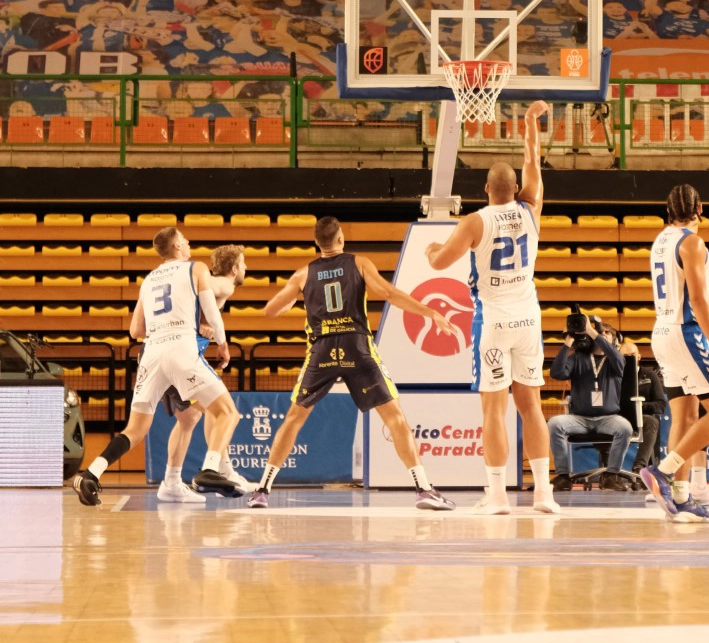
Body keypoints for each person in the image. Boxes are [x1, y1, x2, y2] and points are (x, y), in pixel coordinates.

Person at [247, 216, 458, 510]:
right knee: (395, 417)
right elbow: (389, 293)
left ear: (316, 242)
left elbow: (271, 310)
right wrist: (429, 312)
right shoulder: (359, 263)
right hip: (356, 345)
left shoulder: (303, 274)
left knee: (294, 418)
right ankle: (424, 489)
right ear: (341, 239)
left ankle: (262, 490)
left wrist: (293, 300)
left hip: (321, 349)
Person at [426, 101, 559, 516]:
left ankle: (498, 496)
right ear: (516, 189)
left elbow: (439, 263)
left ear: (486, 189)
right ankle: (543, 494)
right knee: (531, 407)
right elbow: (532, 160)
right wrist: (530, 122)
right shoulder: (531, 209)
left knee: (494, 410)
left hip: (494, 319)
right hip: (528, 317)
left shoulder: (474, 221)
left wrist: (432, 248)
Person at [74, 226, 238, 506]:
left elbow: (135, 330)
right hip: (181, 348)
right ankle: (210, 469)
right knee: (227, 412)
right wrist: (222, 343)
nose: (188, 242)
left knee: (134, 430)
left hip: (151, 353)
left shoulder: (148, 280)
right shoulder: (196, 268)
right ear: (176, 246)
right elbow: (212, 312)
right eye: (184, 239)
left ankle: (91, 473)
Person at [639, 184, 709, 522]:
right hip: (686, 333)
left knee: (685, 416)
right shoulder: (692, 242)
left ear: (668, 211)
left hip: (662, 332)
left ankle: (680, 497)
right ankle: (662, 472)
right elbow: (697, 299)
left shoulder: (660, 240)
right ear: (701, 209)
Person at [160, 243, 248, 503]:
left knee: (192, 417)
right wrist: (201, 325)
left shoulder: (214, 286)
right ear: (234, 269)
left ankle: (173, 481)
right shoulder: (225, 284)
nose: (246, 268)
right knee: (226, 412)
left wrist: (199, 322)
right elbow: (198, 287)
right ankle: (214, 471)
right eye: (243, 263)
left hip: (172, 355)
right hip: (184, 357)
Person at [549, 316, 632, 490]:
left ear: (614, 341)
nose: (602, 335)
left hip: (608, 418)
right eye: (601, 333)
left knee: (624, 428)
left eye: (607, 333)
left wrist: (593, 331)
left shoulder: (615, 360)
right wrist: (568, 342)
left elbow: (615, 356)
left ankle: (611, 475)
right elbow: (556, 373)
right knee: (555, 424)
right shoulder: (577, 358)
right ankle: (563, 476)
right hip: (580, 418)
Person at [631, 348, 668, 473]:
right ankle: (611, 472)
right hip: (617, 419)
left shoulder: (650, 375)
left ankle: (639, 468)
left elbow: (661, 405)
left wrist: (640, 406)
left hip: (641, 419)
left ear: (639, 356)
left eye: (632, 354)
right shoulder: (613, 375)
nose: (629, 358)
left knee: (651, 422)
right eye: (625, 355)